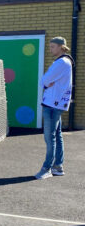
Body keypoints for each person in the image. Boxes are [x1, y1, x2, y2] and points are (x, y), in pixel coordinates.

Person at [35, 37, 74, 180]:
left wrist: (46, 83)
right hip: (55, 103)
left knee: (49, 137)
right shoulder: (64, 62)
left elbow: (43, 80)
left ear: (61, 47)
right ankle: (58, 166)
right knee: (57, 135)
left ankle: (47, 168)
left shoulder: (61, 62)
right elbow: (46, 81)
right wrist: (46, 83)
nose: (50, 49)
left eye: (52, 47)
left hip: (53, 104)